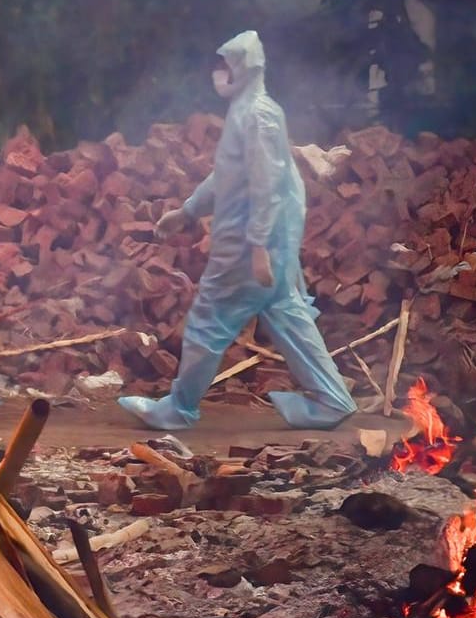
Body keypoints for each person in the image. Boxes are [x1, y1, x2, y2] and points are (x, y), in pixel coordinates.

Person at [118, 31, 357, 431]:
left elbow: (267, 182)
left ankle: (179, 409)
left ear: (245, 69)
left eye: (225, 66)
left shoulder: (257, 116)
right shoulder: (250, 112)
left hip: (248, 245)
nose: (217, 74)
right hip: (263, 244)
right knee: (287, 316)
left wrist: (259, 245)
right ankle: (334, 400)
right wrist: (188, 211)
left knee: (208, 321)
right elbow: (229, 173)